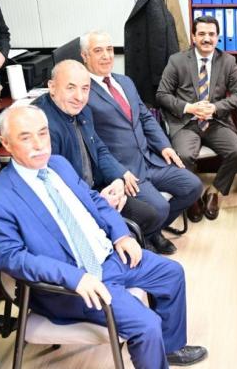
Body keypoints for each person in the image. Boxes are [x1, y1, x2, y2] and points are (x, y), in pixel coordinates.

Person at [0, 105, 207, 369]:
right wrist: (75, 278)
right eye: (25, 137)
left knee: (171, 273)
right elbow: (12, 259)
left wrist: (121, 234)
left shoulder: (58, 165)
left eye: (43, 133)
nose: (39, 144)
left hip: (107, 256)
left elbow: (95, 201)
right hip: (71, 284)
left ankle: (168, 348)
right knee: (145, 323)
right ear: (6, 144)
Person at [33, 59, 175, 254]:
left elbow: (99, 148)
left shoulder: (83, 111)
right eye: (71, 88)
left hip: (96, 188)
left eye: (85, 89)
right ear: (52, 87)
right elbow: (55, 185)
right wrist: (97, 200)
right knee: (141, 221)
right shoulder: (41, 125)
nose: (79, 97)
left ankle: (137, 243)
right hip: (75, 202)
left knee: (151, 214)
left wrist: (118, 178)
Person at [81, 30, 202, 232]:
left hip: (150, 159)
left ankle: (152, 232)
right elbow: (92, 143)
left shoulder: (125, 81)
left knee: (193, 187)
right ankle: (151, 234)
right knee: (160, 207)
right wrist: (118, 172)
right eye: (98, 51)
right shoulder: (84, 92)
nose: (106, 56)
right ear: (85, 56)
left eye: (109, 49)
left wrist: (164, 146)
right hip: (126, 169)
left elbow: (145, 117)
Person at [156, 14, 237, 221]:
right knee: (183, 155)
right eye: (202, 34)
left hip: (216, 122)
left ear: (217, 37)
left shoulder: (228, 61)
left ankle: (214, 191)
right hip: (186, 122)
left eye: (211, 34)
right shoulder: (177, 61)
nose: (207, 39)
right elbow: (161, 95)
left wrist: (215, 108)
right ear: (194, 37)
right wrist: (189, 107)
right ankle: (192, 195)